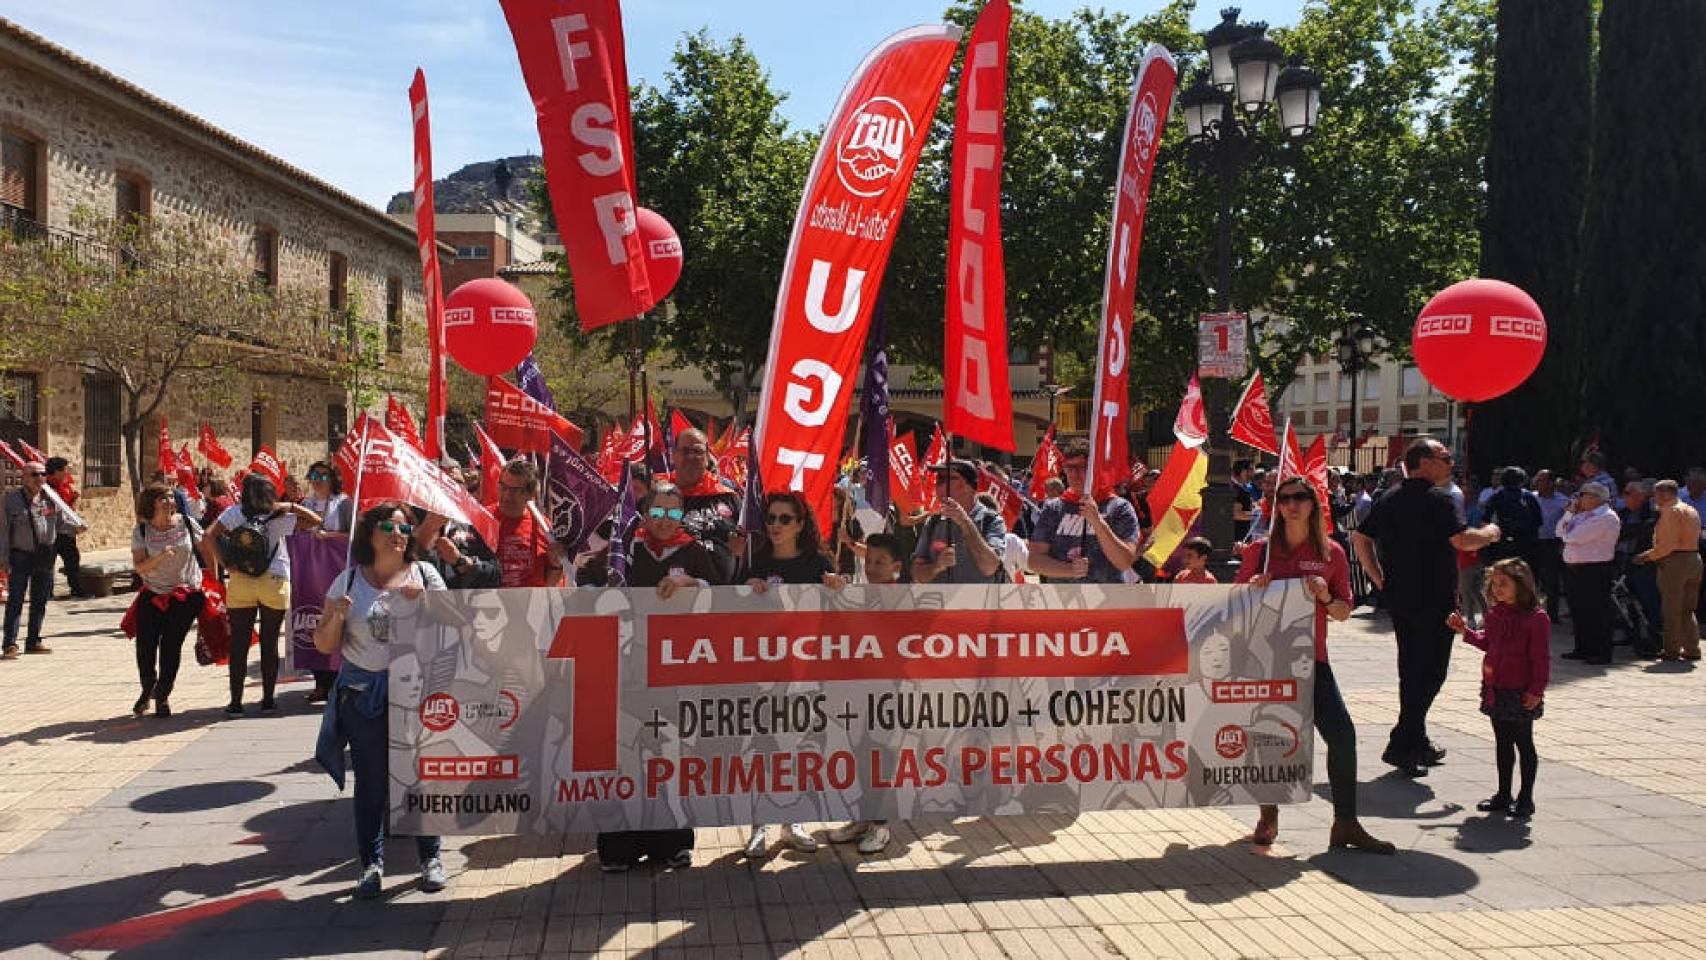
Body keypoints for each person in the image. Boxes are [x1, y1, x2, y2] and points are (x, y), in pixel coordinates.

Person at [1238, 476, 1394, 854]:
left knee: (1342, 735)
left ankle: (1346, 822)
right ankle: (1269, 815)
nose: (1290, 504)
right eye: (1283, 498)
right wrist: (1253, 588)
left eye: (1299, 498)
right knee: (1268, 738)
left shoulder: (1332, 554)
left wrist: (1325, 597)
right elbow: (1232, 605)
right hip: (1266, 661)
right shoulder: (1259, 551)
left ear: (1313, 505)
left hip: (1312, 660)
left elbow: (1343, 612)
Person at [312, 501, 447, 899]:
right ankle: (371, 865)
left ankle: (431, 859)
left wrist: (427, 605)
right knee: (371, 782)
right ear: (369, 535)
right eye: (388, 526)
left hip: (416, 693)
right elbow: (324, 644)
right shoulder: (348, 582)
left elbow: (454, 631)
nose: (397, 534)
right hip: (362, 696)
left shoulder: (426, 575)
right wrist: (335, 617)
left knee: (421, 779)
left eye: (405, 528)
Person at [1353, 438, 1502, 777]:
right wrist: (1491, 533)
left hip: (1400, 597)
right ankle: (1402, 742)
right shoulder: (1439, 499)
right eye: (1444, 457)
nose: (1451, 463)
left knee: (1412, 669)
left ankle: (1416, 740)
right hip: (1435, 599)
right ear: (1422, 462)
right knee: (1432, 671)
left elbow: (1360, 538)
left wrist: (1379, 579)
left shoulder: (1388, 497)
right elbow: (1462, 541)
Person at [598, 482, 714, 872]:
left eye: (674, 513)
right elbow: (591, 591)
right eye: (659, 512)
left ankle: (672, 843)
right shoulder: (624, 550)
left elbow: (725, 595)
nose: (666, 521)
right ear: (645, 513)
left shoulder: (695, 552)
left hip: (676, 672)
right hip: (627, 669)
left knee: (671, 756)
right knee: (625, 755)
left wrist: (692, 584)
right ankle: (619, 847)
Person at [743, 490, 847, 858]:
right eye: (771, 519)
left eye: (784, 519)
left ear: (800, 524)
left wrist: (837, 586)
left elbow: (839, 612)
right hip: (764, 673)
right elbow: (732, 610)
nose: (775, 525)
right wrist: (747, 591)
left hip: (806, 672)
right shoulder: (754, 561)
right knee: (764, 747)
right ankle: (760, 823)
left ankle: (795, 820)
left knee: (803, 746)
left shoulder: (817, 562)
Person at [201, 474, 322, 713]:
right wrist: (292, 505)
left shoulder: (234, 513)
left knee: (239, 644)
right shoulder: (282, 515)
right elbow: (317, 521)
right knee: (269, 643)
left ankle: (235, 703)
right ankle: (268, 700)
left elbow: (207, 536)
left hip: (241, 581)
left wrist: (226, 564)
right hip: (274, 582)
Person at [1448, 558, 1549, 819]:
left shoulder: (1535, 619)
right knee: (1502, 742)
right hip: (1497, 687)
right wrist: (1465, 631)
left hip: (1521, 689)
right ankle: (1504, 793)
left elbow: (1541, 659)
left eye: (1503, 584)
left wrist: (1536, 690)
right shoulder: (1494, 613)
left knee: (1524, 742)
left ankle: (1526, 796)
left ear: (1521, 585)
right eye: (1494, 584)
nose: (1497, 590)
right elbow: (1489, 643)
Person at [827, 532, 903, 854]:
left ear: (896, 566)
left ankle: (881, 825)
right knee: (859, 750)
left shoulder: (901, 598)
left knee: (879, 755)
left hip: (888, 691)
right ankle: (863, 817)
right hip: (857, 689)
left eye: (880, 562)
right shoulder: (859, 592)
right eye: (868, 561)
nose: (872, 567)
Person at [129, 482, 206, 716]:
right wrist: (160, 558)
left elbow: (207, 548)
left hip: (184, 596)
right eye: (163, 498)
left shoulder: (187, 523)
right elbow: (140, 567)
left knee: (171, 645)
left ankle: (163, 695)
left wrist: (212, 580)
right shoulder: (142, 531)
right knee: (145, 646)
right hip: (153, 594)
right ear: (151, 503)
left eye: (172, 498)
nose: (170, 502)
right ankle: (147, 688)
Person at [1027, 439, 1140, 585]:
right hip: (1062, 601)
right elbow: (1034, 560)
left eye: (1081, 467)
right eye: (1069, 467)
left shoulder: (1119, 508)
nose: (1074, 474)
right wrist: (1068, 570)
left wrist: (1097, 522)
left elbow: (1124, 561)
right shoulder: (1054, 509)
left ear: (1095, 468)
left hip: (1108, 601)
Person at [662, 429, 744, 584]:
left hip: (722, 600)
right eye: (685, 451)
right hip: (668, 597)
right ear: (674, 455)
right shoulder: (659, 496)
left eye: (697, 451)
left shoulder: (729, 497)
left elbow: (750, 547)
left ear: (707, 457)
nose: (691, 456)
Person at [1637, 480, 1702, 661]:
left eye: (1656, 494)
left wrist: (1647, 556)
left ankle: (1672, 649)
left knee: (1671, 608)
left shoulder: (1671, 512)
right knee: (1688, 609)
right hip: (1694, 558)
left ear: (1665, 494)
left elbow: (1668, 544)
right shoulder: (1690, 509)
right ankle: (1692, 648)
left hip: (1675, 561)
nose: (1654, 499)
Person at [1557, 482, 1621, 664]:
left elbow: (1572, 536)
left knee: (1598, 611)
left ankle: (1600, 652)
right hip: (1576, 569)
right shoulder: (1583, 515)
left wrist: (1567, 531)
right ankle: (1582, 648)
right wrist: (1569, 513)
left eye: (1582, 495)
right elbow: (1559, 530)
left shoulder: (1606, 517)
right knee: (1579, 610)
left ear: (1595, 498)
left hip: (1595, 569)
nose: (1579, 499)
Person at [912, 460, 1006, 584]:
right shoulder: (934, 522)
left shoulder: (991, 521)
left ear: (965, 485)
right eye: (938, 479)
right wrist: (937, 566)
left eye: (943, 479)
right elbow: (917, 576)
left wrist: (964, 522)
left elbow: (990, 567)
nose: (937, 485)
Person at [3, 462, 59, 657]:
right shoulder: (11, 500)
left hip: (44, 555)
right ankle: (10, 644)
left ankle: (34, 641)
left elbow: (62, 521)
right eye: (35, 474)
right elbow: (4, 531)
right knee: (16, 600)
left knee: (40, 600)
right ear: (25, 477)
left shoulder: (50, 498)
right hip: (21, 555)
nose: (40, 478)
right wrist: (4, 558)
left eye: (43, 474)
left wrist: (76, 527)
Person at [493, 459, 563, 588]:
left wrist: (556, 565)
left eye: (516, 490)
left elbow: (551, 582)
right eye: (503, 487)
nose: (507, 495)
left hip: (532, 605)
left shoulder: (544, 527)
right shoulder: (482, 519)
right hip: (490, 605)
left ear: (531, 494)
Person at [1616, 480, 1662, 657]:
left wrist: (1627, 530)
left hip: (1644, 564)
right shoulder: (1623, 513)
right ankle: (1631, 636)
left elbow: (1645, 531)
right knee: (1626, 602)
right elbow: (1617, 531)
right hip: (1624, 563)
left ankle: (1654, 639)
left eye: (1628, 493)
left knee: (1648, 602)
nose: (1624, 497)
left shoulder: (1652, 513)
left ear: (1641, 497)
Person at [42, 457, 86, 599]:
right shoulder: (45, 489)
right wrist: (74, 528)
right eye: (65, 470)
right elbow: (54, 516)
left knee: (72, 560)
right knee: (48, 564)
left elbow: (65, 509)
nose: (67, 473)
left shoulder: (62, 485)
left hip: (65, 533)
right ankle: (46, 593)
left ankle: (77, 590)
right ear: (56, 472)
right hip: (50, 532)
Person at [1531, 470, 1570, 622]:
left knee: (1551, 581)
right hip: (1533, 542)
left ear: (1552, 483)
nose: (1539, 484)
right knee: (1531, 578)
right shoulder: (1530, 497)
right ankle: (1532, 613)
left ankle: (1552, 615)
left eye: (1543, 480)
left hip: (1552, 543)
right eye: (1538, 480)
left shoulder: (1563, 501)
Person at [1230, 459, 1256, 542]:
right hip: (1238, 538)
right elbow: (1236, 514)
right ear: (1243, 471)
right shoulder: (1236, 490)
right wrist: (1258, 516)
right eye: (1251, 469)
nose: (1254, 473)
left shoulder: (1239, 488)